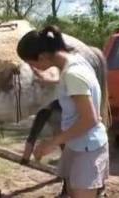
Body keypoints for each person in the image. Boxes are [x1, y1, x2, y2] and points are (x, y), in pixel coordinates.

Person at [17, 25, 109, 198]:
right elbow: (74, 86)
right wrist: (47, 79)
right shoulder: (75, 62)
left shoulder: (73, 74)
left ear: (43, 56)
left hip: (87, 147)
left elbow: (90, 119)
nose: (32, 67)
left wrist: (52, 143)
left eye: (32, 63)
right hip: (78, 143)